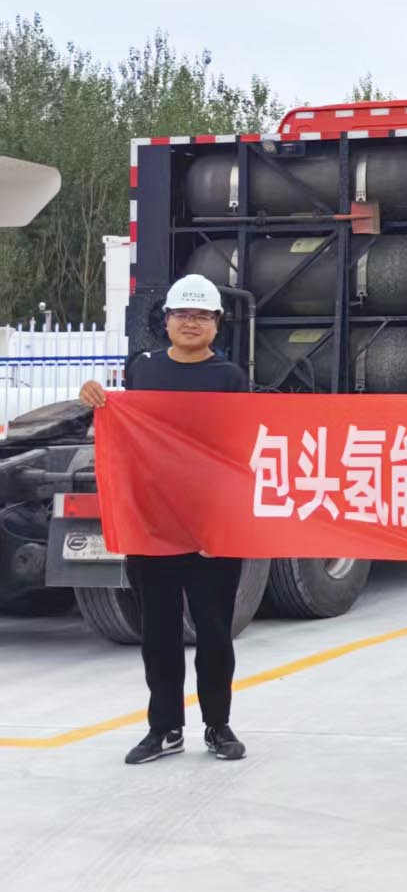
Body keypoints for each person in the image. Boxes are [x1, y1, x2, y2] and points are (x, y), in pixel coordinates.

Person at [79, 275, 251, 765]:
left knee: (214, 632)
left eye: (202, 316)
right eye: (182, 314)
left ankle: (217, 725)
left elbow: (240, 448)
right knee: (158, 634)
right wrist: (95, 396)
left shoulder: (230, 378)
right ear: (167, 320)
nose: (191, 323)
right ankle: (165, 728)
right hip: (152, 525)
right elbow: (124, 424)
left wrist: (229, 521)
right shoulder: (143, 368)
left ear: (217, 323)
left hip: (210, 526)